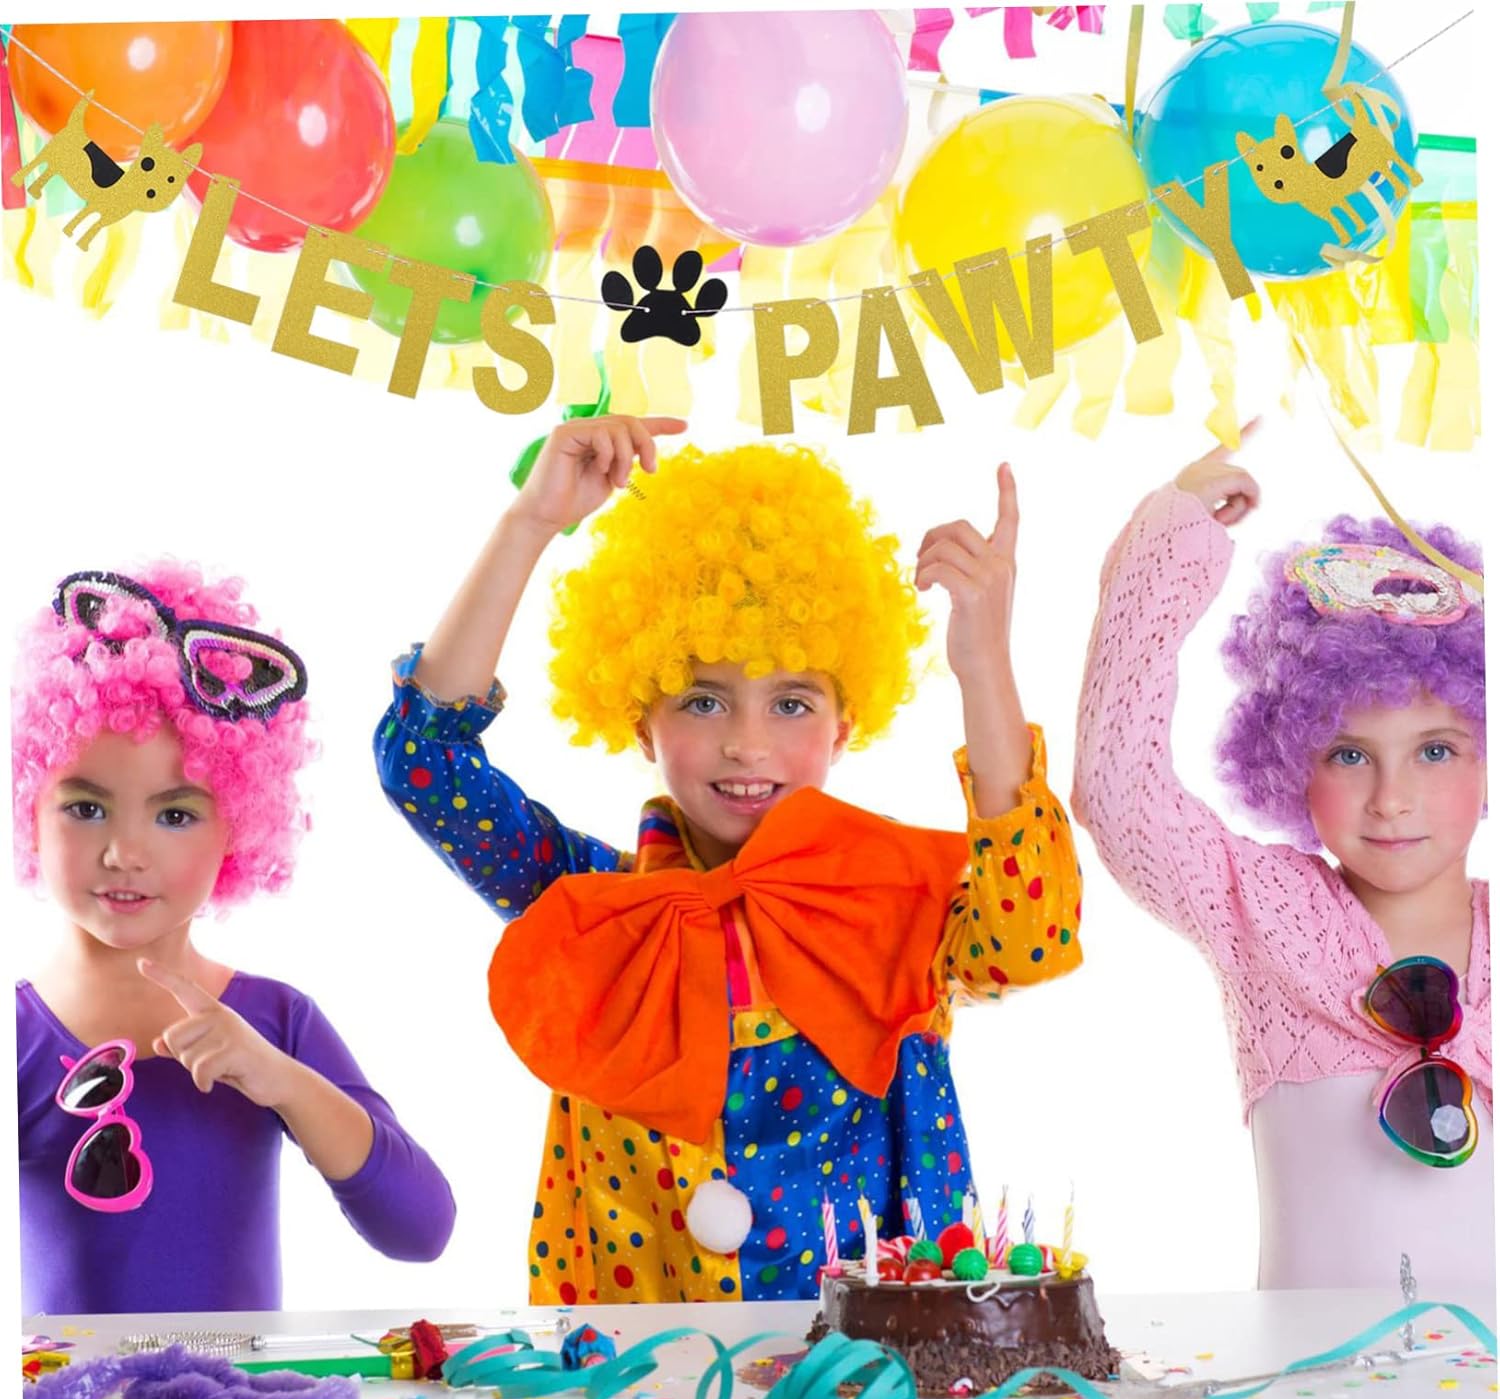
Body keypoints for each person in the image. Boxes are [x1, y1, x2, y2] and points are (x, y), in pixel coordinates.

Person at [375, 415, 1083, 1306]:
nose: (747, 745)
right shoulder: (592, 910)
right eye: (704, 701)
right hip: (641, 1375)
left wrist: (984, 668)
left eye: (791, 704)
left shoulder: (888, 902)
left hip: (865, 1372)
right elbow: (426, 767)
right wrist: (530, 526)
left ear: (845, 727)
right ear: (641, 721)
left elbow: (1031, 937)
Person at [1072, 436, 1491, 1289]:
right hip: (1306, 1372)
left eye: (1436, 751)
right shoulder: (1259, 912)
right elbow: (1118, 790)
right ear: (1291, 761)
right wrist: (1170, 543)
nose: (1392, 798)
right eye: (1348, 755)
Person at [15, 563, 456, 1314]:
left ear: (240, 828)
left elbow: (421, 1228)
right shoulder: (18, 1037)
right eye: (86, 809)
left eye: (175, 815)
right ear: (28, 805)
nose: (125, 853)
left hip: (239, 1389)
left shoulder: (275, 1022)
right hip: (63, 1394)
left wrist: (280, 1080)